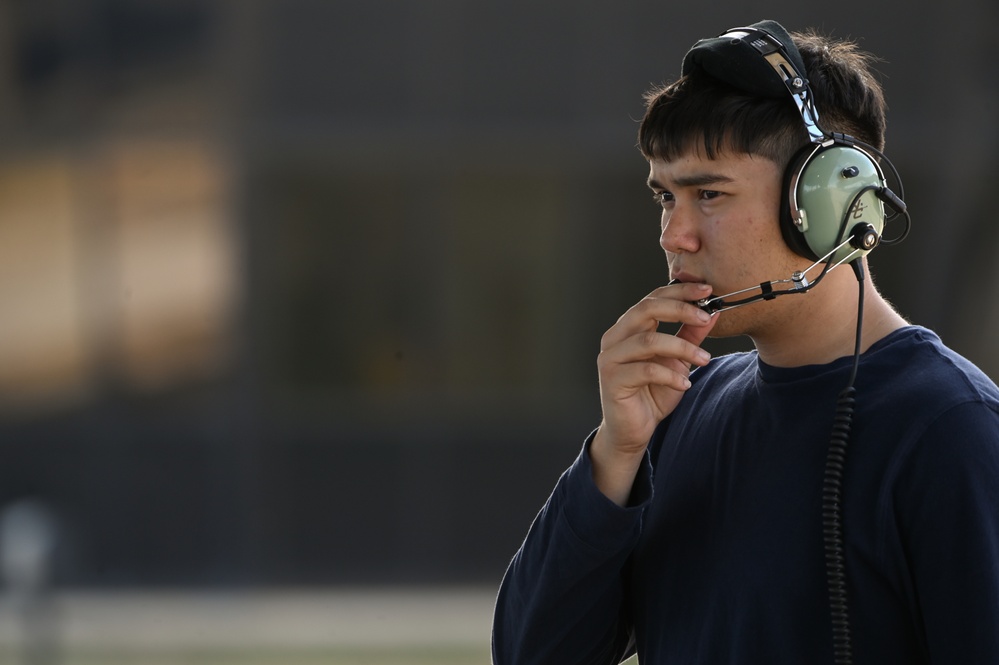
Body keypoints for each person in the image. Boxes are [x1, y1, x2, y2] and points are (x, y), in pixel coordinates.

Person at [491, 18, 999, 665]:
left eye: (708, 194)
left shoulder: (950, 430)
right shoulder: (680, 407)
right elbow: (528, 655)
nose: (673, 235)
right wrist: (612, 456)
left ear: (831, 203)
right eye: (664, 197)